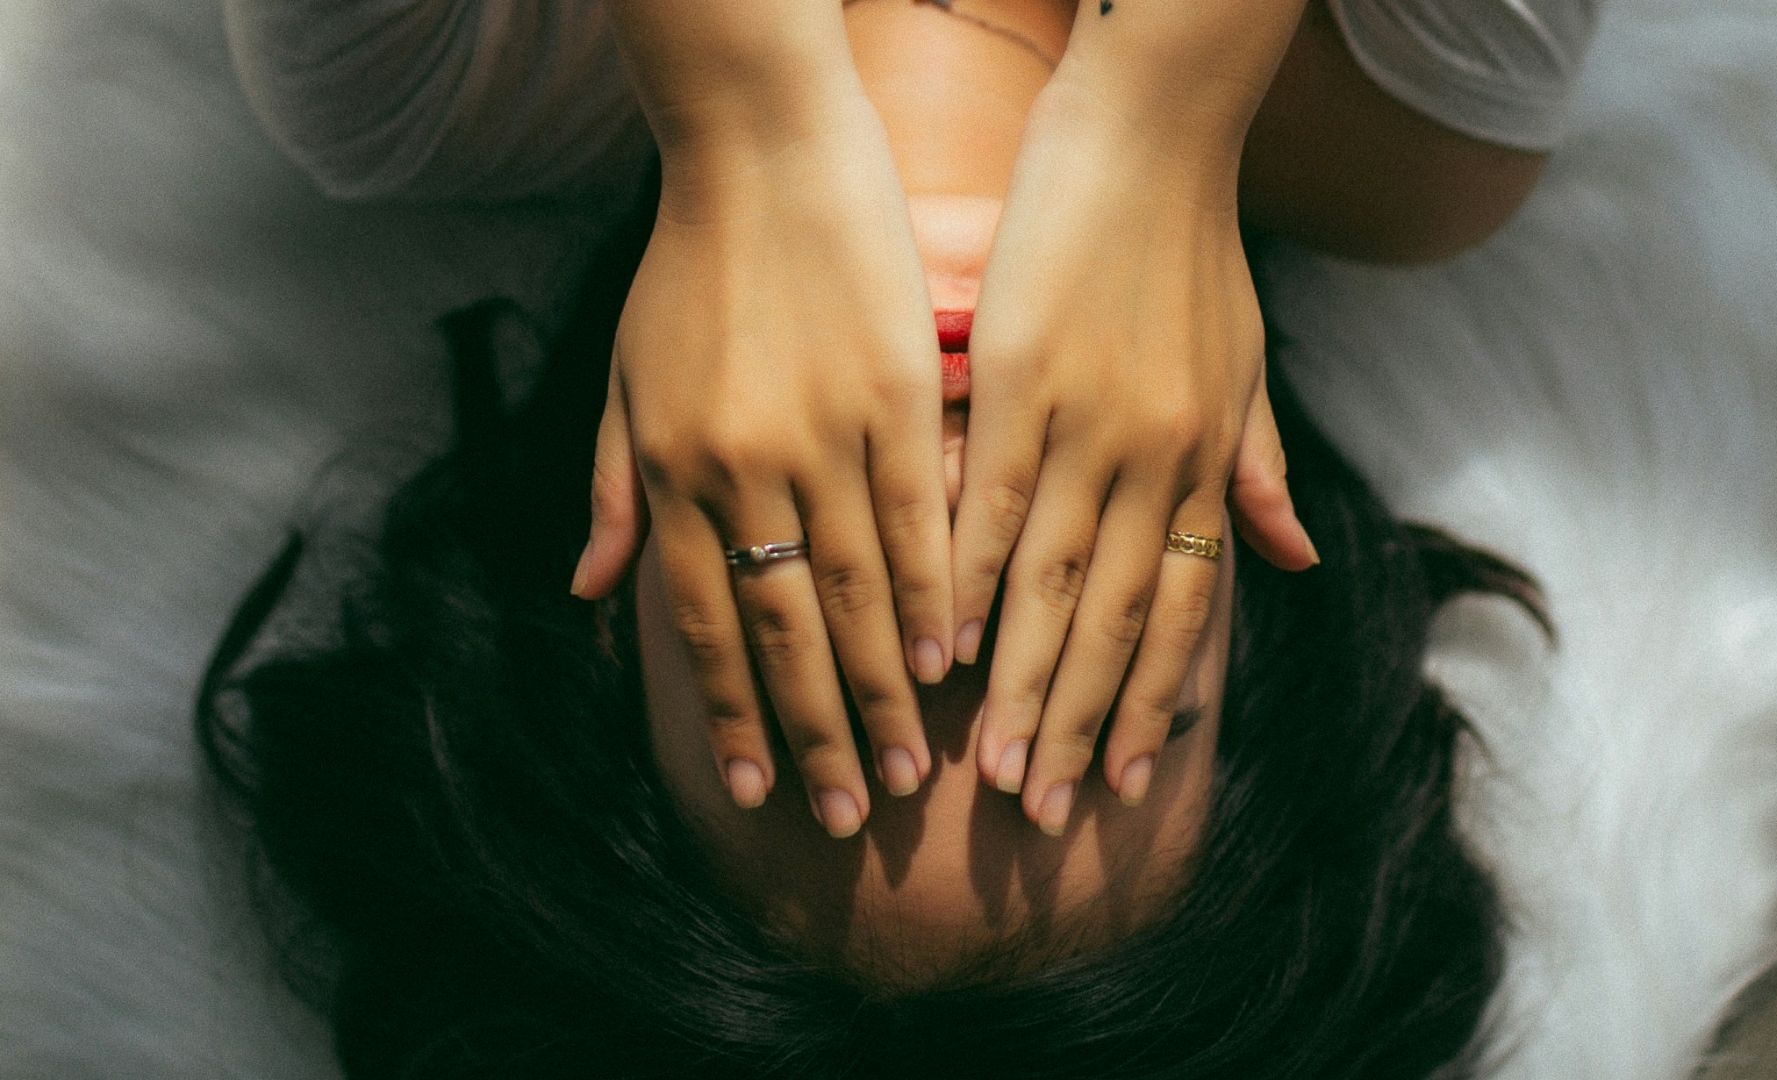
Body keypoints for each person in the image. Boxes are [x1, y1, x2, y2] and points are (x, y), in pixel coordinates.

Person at [200, 5, 1552, 1073]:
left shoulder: (415, 55)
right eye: (1071, 629)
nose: (944, 537)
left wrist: (746, 108)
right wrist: (1165, 116)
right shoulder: (1434, 112)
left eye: (835, 668)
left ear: (611, 592)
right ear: (1248, 548)